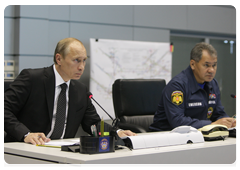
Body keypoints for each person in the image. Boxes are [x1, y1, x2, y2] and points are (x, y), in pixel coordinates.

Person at [4, 37, 136, 145]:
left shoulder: (80, 90)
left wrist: (117, 132)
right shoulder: (32, 78)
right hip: (25, 148)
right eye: (76, 60)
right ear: (59, 59)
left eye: (84, 60)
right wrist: (26, 134)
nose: (81, 67)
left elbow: (93, 123)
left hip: (62, 151)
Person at [149, 42, 238, 131]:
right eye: (206, 65)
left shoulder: (213, 84)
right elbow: (177, 121)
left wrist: (229, 121)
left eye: (214, 65)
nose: (211, 70)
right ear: (193, 64)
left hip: (197, 136)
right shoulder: (177, 86)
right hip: (165, 137)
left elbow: (218, 113)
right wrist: (211, 124)